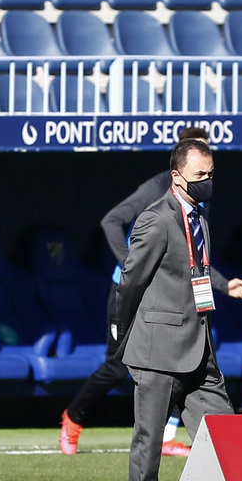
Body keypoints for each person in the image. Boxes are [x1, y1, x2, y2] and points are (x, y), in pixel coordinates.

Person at [116, 135, 242, 481]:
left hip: (198, 344)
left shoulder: (200, 216)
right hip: (158, 348)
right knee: (150, 439)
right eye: (200, 175)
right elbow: (132, 279)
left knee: (226, 430)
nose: (207, 181)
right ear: (177, 177)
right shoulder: (156, 219)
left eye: (211, 174)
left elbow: (198, 270)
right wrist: (123, 334)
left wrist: (224, 286)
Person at [59, 130, 205, 457]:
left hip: (168, 294)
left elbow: (197, 252)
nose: (206, 172)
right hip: (128, 290)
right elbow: (111, 221)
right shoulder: (155, 189)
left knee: (184, 360)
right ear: (181, 161)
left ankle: (167, 436)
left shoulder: (197, 200)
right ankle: (73, 418)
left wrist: (221, 284)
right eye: (199, 162)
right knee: (118, 365)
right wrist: (131, 264)